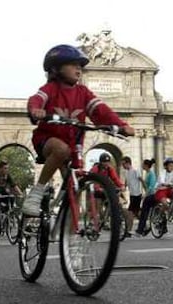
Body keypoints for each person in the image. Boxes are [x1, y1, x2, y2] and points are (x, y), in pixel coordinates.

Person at [22, 44, 134, 216]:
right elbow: (37, 98)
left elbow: (100, 110)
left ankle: (69, 233)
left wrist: (120, 125)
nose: (78, 68)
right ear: (56, 68)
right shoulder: (50, 89)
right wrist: (36, 110)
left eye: (80, 65)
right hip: (47, 139)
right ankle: (36, 194)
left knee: (75, 185)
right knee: (61, 149)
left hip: (75, 144)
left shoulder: (83, 92)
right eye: (72, 64)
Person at [0, 160, 23, 237]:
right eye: (5, 168)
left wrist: (20, 194)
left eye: (7, 168)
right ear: (0, 168)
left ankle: (8, 215)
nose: (6, 170)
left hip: (3, 192)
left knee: (11, 197)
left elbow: (14, 185)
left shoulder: (8, 176)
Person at [134, 158, 157, 237]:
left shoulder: (151, 173)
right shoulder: (148, 173)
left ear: (146, 165)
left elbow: (151, 187)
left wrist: (145, 195)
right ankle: (145, 229)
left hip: (152, 195)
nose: (141, 165)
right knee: (146, 212)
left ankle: (140, 231)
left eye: (143, 164)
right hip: (150, 194)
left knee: (144, 213)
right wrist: (141, 181)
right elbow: (146, 186)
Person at [121, 156, 144, 235]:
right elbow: (126, 184)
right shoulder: (127, 173)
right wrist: (122, 189)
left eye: (124, 164)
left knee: (130, 213)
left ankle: (128, 231)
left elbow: (142, 180)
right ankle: (146, 226)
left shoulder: (135, 171)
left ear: (128, 163)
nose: (123, 166)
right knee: (136, 213)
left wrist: (146, 190)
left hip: (137, 194)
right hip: (132, 195)